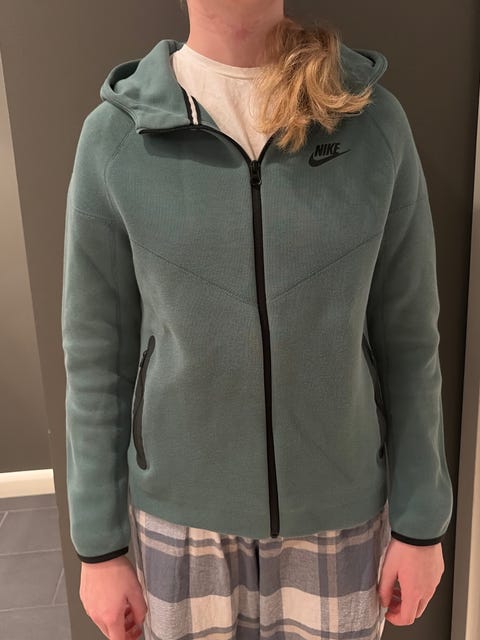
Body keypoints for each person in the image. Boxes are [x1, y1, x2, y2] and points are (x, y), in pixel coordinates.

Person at [61, 1, 453, 639]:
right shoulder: (117, 137)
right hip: (180, 528)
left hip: (340, 518)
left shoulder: (371, 120)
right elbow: (94, 357)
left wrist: (422, 524)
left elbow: (409, 339)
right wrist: (99, 547)